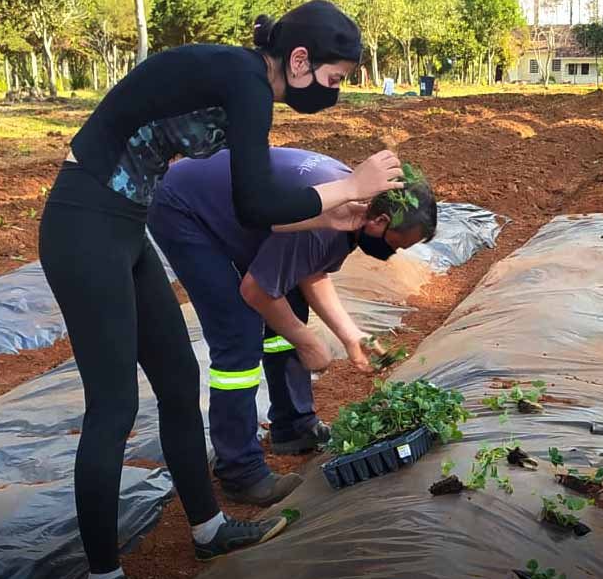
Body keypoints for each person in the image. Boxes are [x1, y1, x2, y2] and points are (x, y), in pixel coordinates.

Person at [37, 0, 404, 579]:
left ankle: (207, 528)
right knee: (114, 406)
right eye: (335, 79)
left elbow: (254, 204)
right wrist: (352, 186)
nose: (334, 94)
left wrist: (326, 215)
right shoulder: (244, 81)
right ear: (299, 60)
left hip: (124, 222)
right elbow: (255, 197)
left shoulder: (245, 83)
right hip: (83, 221)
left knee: (179, 383)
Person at [148, 147, 437, 505]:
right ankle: (240, 471)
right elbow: (255, 290)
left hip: (226, 199)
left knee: (289, 302)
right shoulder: (334, 212)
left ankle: (293, 425)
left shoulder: (358, 202)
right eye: (397, 244)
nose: (394, 253)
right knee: (238, 333)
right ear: (379, 223)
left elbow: (308, 270)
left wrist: (350, 336)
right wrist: (305, 341)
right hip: (185, 208)